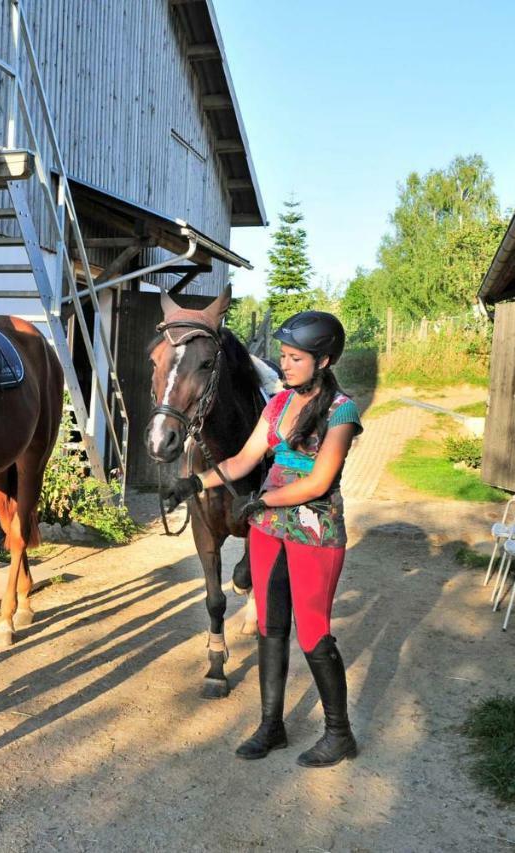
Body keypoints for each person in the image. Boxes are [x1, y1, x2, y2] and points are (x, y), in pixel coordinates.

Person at [163, 310, 362, 768]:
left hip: (313, 531)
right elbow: (243, 460)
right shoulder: (277, 405)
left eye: (295, 358)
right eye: (284, 356)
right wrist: (193, 484)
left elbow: (318, 482)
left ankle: (339, 733)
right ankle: (272, 725)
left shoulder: (341, 412)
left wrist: (263, 503)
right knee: (272, 628)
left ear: (324, 360)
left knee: (314, 634)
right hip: (270, 530)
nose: (284, 364)